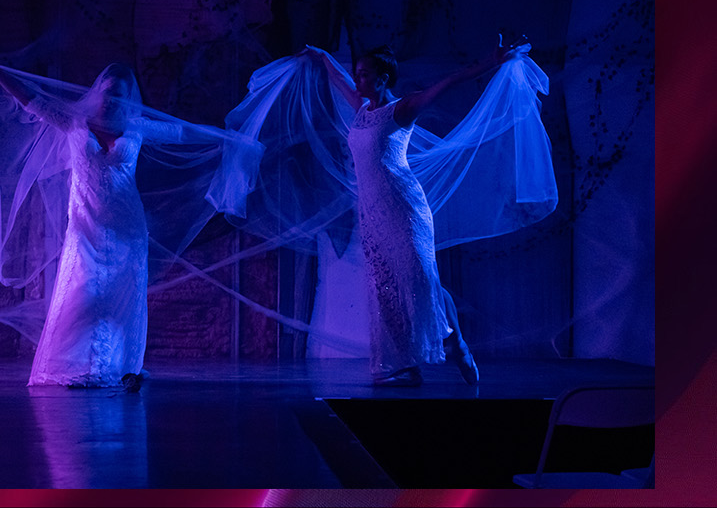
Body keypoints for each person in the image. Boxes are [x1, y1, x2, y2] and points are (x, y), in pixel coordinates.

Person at [218, 37, 556, 388]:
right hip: (372, 210)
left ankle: (456, 343)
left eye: (365, 75)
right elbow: (339, 80)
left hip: (404, 206)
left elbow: (449, 82)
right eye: (358, 74)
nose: (358, 80)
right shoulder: (362, 109)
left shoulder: (401, 109)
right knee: (386, 286)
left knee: (422, 280)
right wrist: (321, 56)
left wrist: (492, 61)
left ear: (382, 79)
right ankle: (405, 366)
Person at [0, 58, 260, 390]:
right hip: (85, 225)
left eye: (120, 95)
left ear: (128, 98)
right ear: (98, 93)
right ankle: (71, 364)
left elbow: (183, 132)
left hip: (128, 228)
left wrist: (232, 140)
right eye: (109, 92)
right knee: (83, 296)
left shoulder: (137, 127)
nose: (112, 100)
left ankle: (119, 366)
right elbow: (32, 100)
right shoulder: (74, 122)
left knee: (120, 299)